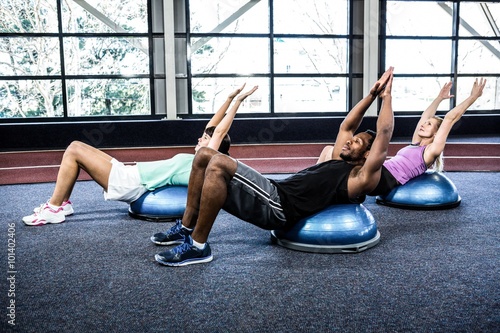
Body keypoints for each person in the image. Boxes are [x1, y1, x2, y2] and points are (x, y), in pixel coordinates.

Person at [151, 67, 395, 266]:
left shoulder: (360, 177)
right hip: (275, 191)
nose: (351, 141)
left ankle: (198, 246)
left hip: (280, 205)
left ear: (367, 156)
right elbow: (346, 127)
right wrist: (372, 95)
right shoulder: (338, 159)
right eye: (354, 139)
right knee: (204, 154)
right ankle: (185, 227)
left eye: (358, 143)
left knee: (218, 163)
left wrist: (386, 98)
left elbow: (384, 134)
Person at [23, 84, 259, 226]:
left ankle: (54, 208)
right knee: (81, 147)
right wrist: (228, 98)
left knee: (74, 148)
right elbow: (212, 125)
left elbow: (219, 131)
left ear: (213, 149)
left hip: (132, 183)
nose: (200, 139)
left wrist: (238, 102)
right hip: (130, 172)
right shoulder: (198, 158)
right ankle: (63, 204)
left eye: (205, 140)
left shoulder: (205, 162)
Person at [318, 78, 487, 196]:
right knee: (330, 151)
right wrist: (439, 98)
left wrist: (473, 97)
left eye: (429, 125)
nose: (423, 124)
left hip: (384, 178)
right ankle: (313, 179)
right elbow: (425, 115)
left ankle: (319, 185)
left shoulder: (430, 152)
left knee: (336, 160)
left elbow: (449, 119)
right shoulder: (416, 143)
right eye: (425, 123)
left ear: (437, 133)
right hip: (377, 168)